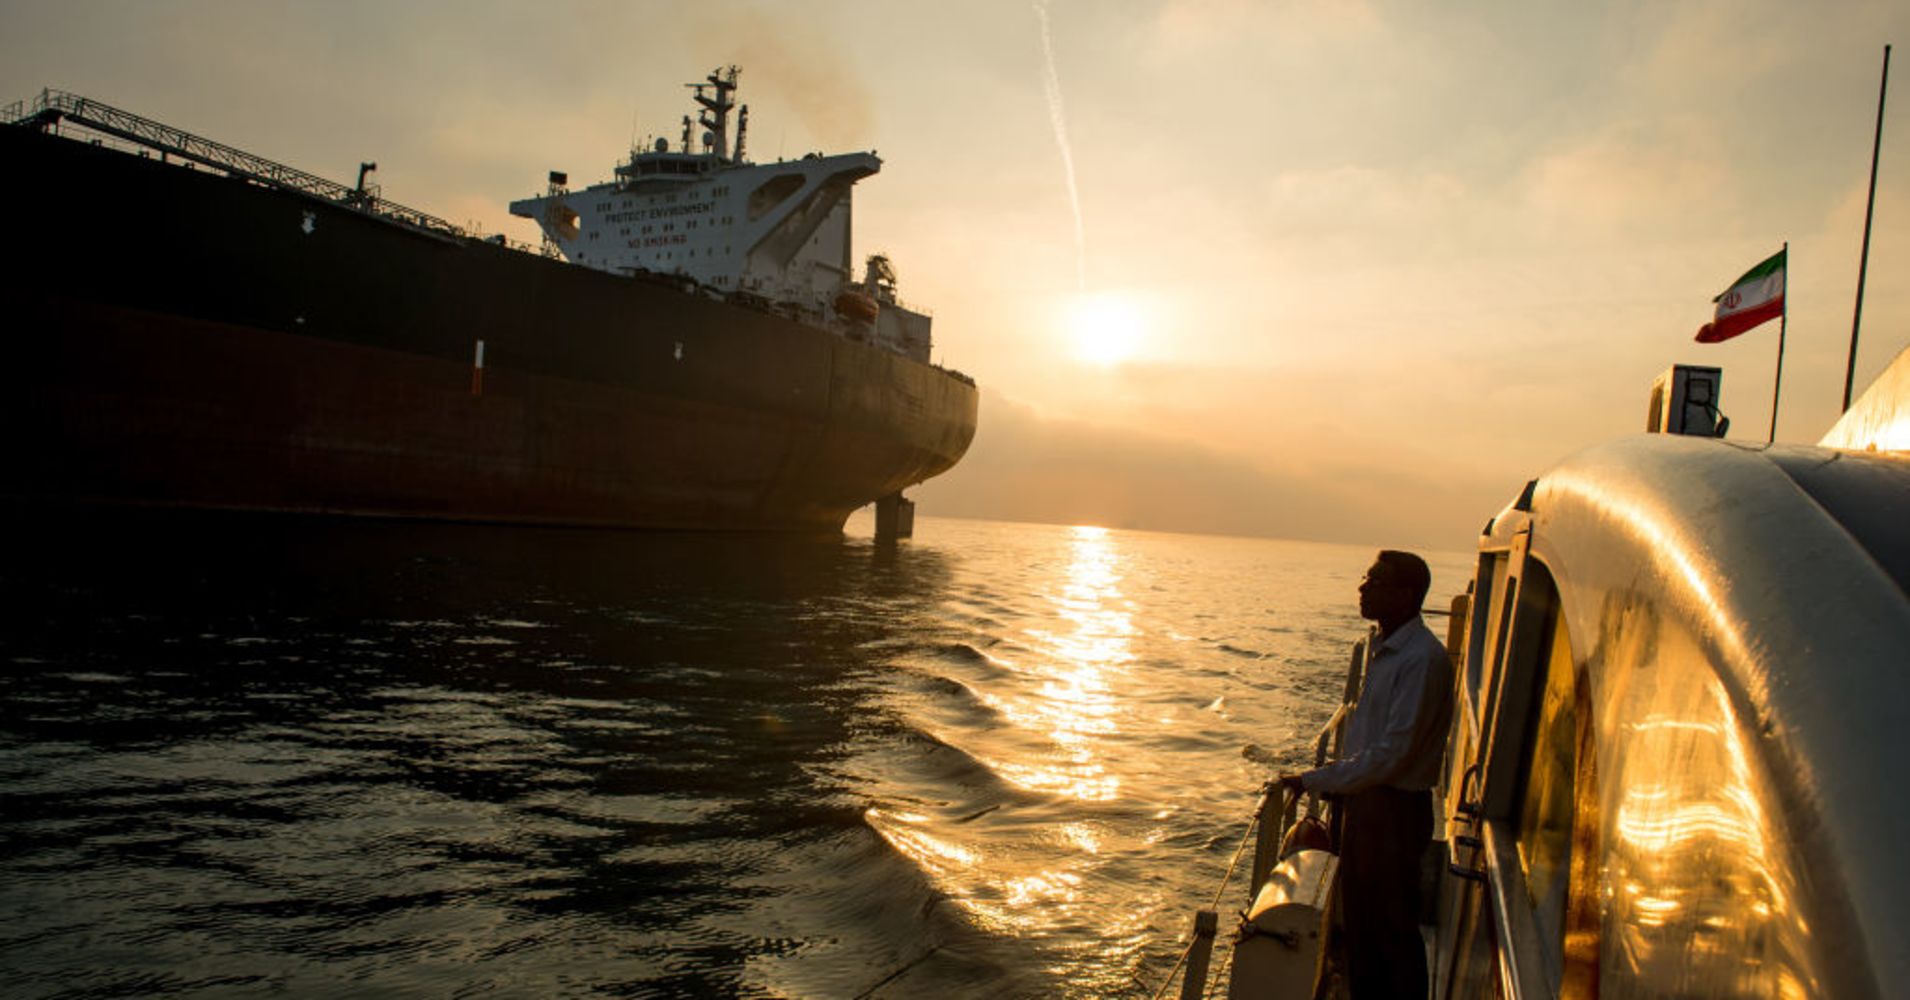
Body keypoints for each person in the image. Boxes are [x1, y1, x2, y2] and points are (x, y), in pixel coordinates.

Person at [1277, 550, 1453, 1000]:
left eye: (1376, 581)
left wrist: (1314, 780)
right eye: (1366, 578)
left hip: (1393, 813)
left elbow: (1391, 755)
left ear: (1405, 595)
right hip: (1370, 807)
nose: (1363, 587)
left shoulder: (1421, 660)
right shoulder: (1387, 648)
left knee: (1391, 932)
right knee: (1362, 928)